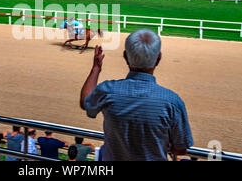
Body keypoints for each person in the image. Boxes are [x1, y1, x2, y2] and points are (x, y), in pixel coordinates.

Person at [80, 29, 194, 161]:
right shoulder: (173, 101)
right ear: (159, 58)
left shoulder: (107, 90)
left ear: (125, 56)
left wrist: (96, 69)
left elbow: (85, 102)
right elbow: (180, 149)